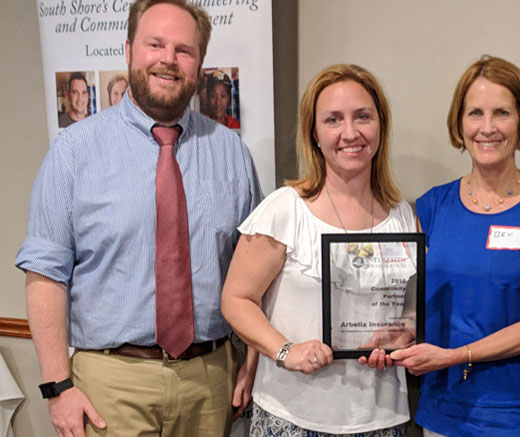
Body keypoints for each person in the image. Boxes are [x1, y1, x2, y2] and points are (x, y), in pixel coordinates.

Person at [16, 1, 261, 436]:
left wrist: (254, 360)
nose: (169, 59)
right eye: (155, 44)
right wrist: (57, 387)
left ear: (200, 64)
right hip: (110, 385)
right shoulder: (74, 151)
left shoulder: (232, 155)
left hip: (211, 380)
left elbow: (258, 275)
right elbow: (45, 274)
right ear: (129, 49)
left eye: (184, 50)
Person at [389, 56, 520, 436]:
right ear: (459, 123)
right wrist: (393, 334)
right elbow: (412, 303)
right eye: (475, 113)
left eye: (502, 113)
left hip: (519, 416)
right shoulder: (431, 207)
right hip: (445, 410)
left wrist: (457, 356)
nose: (487, 128)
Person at [221, 64, 413, 436]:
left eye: (363, 117)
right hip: (291, 417)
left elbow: (410, 305)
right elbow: (236, 298)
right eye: (333, 120)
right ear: (314, 132)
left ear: (381, 125)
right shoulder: (284, 209)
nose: (350, 133)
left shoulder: (403, 214)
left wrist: (405, 328)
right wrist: (283, 350)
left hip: (380, 418)